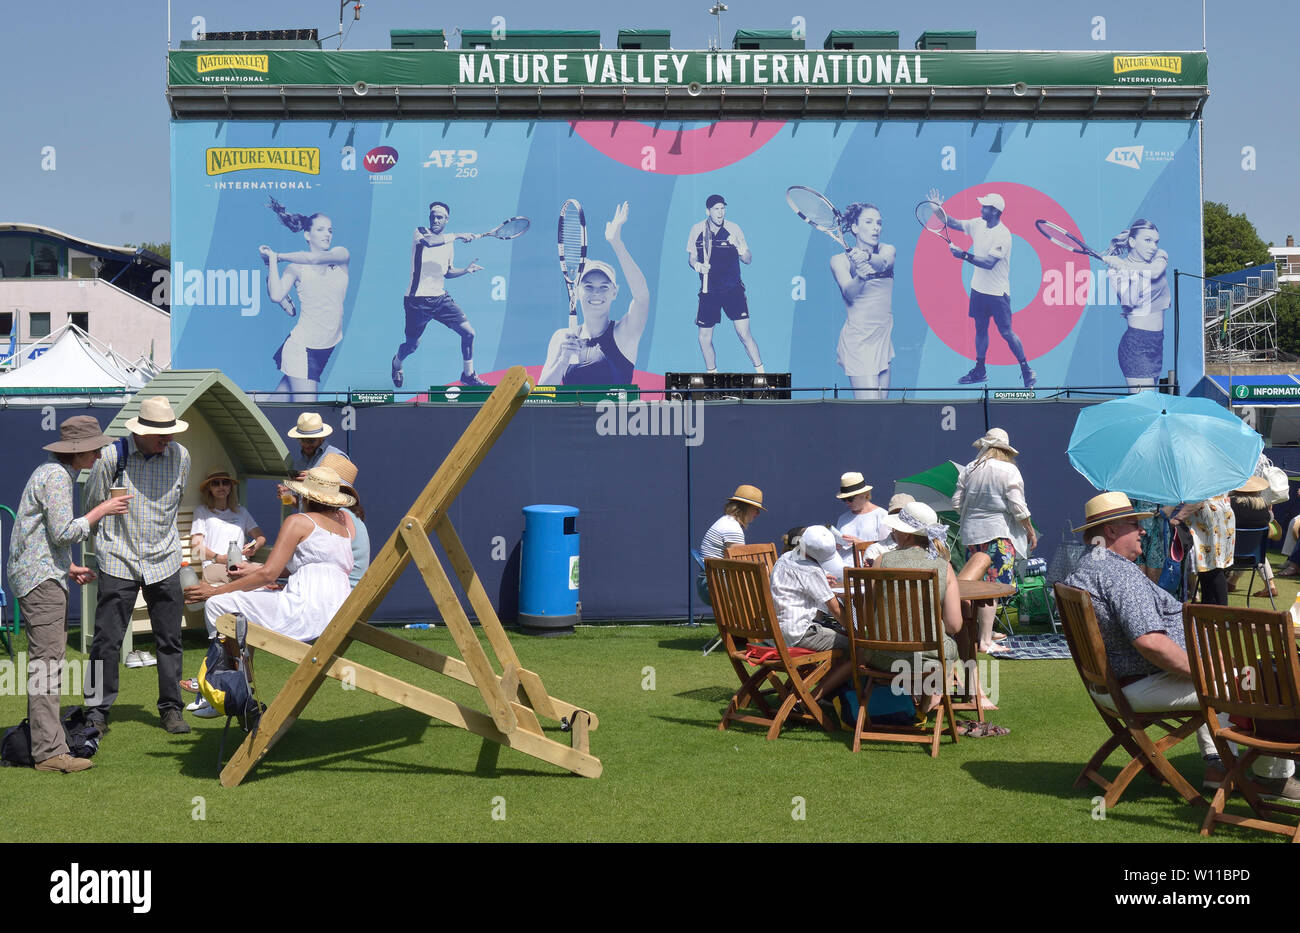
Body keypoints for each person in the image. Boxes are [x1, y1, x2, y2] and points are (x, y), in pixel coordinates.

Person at [1064, 491, 1297, 796]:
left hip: (1113, 685)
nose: (1143, 531)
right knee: (1260, 683)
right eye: (1136, 524)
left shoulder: (1086, 567)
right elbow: (1151, 643)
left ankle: (1218, 763)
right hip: (1140, 683)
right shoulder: (1119, 575)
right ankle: (1273, 779)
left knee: (1238, 676)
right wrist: (1204, 670)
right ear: (1111, 530)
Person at [6, 417, 131, 771]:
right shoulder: (58, 477)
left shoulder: (50, 472)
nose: (99, 453)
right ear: (77, 451)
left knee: (47, 664)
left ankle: (47, 742)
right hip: (40, 582)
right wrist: (102, 510)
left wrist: (67, 567)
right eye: (95, 448)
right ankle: (49, 753)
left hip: (41, 575)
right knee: (46, 666)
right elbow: (63, 532)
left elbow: (36, 533)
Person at [82, 396, 193, 735]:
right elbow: (93, 507)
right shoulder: (111, 457)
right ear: (140, 431)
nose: (168, 439)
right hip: (119, 558)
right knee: (107, 640)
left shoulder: (181, 457)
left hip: (165, 558)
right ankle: (96, 712)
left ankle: (172, 709)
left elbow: (175, 504)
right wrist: (107, 548)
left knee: (170, 639)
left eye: (171, 432)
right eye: (161, 433)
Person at [184, 467, 355, 644]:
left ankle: (224, 669)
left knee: (216, 604)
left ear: (305, 496)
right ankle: (238, 666)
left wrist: (214, 592)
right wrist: (255, 570)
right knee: (256, 593)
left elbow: (268, 574)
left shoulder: (298, 522)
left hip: (305, 613)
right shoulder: (344, 530)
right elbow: (304, 569)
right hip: (338, 612)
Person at [872, 502, 995, 732]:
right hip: (927, 658)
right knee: (945, 650)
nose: (894, 532)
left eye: (897, 528)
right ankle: (928, 704)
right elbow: (954, 624)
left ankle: (917, 704)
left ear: (908, 535)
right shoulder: (942, 566)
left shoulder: (881, 561)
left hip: (880, 656)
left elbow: (872, 612)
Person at [927, 188, 1036, 389]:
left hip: (997, 293)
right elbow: (952, 222)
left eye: (985, 206)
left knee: (1006, 332)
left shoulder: (1003, 235)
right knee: (980, 328)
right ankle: (980, 370)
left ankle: (1026, 369)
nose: (981, 208)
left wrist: (963, 255)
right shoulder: (978, 224)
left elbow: (988, 263)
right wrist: (936, 210)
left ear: (994, 211)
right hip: (978, 290)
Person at [539, 202, 649, 386]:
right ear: (577, 290)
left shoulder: (625, 333)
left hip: (614, 416)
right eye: (589, 286)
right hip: (569, 416)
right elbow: (541, 395)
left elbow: (642, 296)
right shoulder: (562, 338)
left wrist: (617, 244)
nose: (596, 293)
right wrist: (562, 361)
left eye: (604, 287)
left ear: (615, 292)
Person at [952, 428, 1036, 654]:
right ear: (1005, 450)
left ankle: (983, 633)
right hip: (998, 533)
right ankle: (986, 641)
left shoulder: (969, 468)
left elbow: (957, 503)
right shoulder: (1008, 470)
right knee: (992, 588)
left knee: (976, 587)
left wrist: (974, 514)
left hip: (971, 535)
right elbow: (1018, 506)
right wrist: (1029, 530)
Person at [261, 196, 350, 401]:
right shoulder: (296, 268)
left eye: (330, 230)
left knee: (273, 405)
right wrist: (271, 262)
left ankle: (241, 406)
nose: (327, 234)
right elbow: (276, 295)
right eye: (320, 230)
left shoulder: (341, 255)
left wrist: (278, 255)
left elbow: (314, 258)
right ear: (307, 235)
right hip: (302, 347)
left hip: (325, 347)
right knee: (309, 415)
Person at [390, 201, 486, 389]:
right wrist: (458, 235)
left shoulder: (449, 245)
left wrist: (465, 270)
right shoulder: (420, 232)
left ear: (446, 220)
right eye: (433, 216)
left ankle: (468, 375)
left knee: (469, 333)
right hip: (417, 301)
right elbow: (431, 242)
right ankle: (396, 363)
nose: (435, 219)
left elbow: (447, 272)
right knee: (411, 346)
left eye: (439, 217)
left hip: (440, 299)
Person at [768, 525, 853, 708]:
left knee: (842, 639)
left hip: (775, 633)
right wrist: (856, 632)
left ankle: (828, 695)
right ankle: (810, 699)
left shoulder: (784, 558)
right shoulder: (811, 571)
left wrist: (821, 577)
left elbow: (801, 575)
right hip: (797, 634)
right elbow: (835, 609)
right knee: (856, 648)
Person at [687, 194, 764, 375]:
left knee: (744, 334)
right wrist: (697, 266)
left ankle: (763, 376)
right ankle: (712, 378)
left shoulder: (734, 229)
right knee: (704, 338)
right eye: (716, 209)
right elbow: (692, 258)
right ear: (708, 211)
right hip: (709, 291)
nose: (720, 212)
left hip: (733, 290)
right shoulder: (696, 230)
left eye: (723, 208)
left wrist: (738, 246)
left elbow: (748, 259)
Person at [830, 202, 896, 399]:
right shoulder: (839, 261)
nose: (876, 227)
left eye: (879, 222)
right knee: (870, 412)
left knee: (882, 412)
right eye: (869, 222)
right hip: (859, 340)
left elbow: (884, 262)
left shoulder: (887, 249)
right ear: (855, 228)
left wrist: (866, 256)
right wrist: (860, 277)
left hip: (882, 337)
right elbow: (849, 294)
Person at [1100, 219, 1168, 392]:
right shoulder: (1115, 270)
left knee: (1148, 406)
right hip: (1137, 345)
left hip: (1157, 344)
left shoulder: (1160, 256)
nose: (1153, 246)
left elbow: (1155, 272)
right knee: (1146, 404)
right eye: (1147, 240)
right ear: (1132, 241)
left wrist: (1127, 267)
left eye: (1155, 241)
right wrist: (1122, 270)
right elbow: (1130, 300)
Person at [1172, 494, 1235, 606]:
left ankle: (1222, 615)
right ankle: (1208, 612)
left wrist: (1177, 517)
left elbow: (1198, 499)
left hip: (1209, 515)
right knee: (1208, 568)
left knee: (1214, 568)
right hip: (1220, 513)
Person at [319, 452, 370, 588]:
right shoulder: (348, 514)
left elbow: (317, 559)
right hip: (346, 593)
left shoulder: (340, 516)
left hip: (341, 597)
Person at [278, 412, 345, 503]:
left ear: (322, 437)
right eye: (302, 440)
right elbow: (301, 506)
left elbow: (345, 495)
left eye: (311, 440)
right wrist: (286, 497)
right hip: (307, 517)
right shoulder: (299, 465)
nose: (306, 444)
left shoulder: (337, 457)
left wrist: (314, 483)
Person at [1227, 476, 1277, 599]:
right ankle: (1269, 584)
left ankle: (1229, 582)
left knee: (1243, 544)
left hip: (1230, 553)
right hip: (1254, 554)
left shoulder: (1231, 504)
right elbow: (1268, 521)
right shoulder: (1263, 506)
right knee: (1255, 547)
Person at [699, 485, 764, 561]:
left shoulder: (726, 521)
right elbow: (741, 564)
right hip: (718, 572)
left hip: (713, 571)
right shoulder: (733, 528)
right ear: (744, 508)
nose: (758, 513)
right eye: (755, 509)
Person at [833, 472, 888, 562]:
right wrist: (836, 545)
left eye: (850, 499)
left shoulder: (882, 515)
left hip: (868, 570)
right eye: (844, 499)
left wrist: (861, 544)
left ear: (864, 495)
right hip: (845, 571)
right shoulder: (843, 518)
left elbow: (887, 548)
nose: (847, 503)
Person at [862, 493, 916, 564]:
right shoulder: (875, 550)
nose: (900, 519)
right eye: (895, 515)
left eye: (906, 515)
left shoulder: (926, 547)